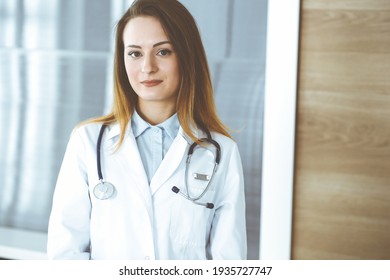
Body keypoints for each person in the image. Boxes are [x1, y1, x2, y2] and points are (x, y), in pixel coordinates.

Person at [47, 0, 246, 260]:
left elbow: (228, 265)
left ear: (186, 56)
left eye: (163, 52)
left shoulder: (221, 153)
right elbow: (65, 256)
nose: (147, 67)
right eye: (135, 53)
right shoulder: (87, 142)